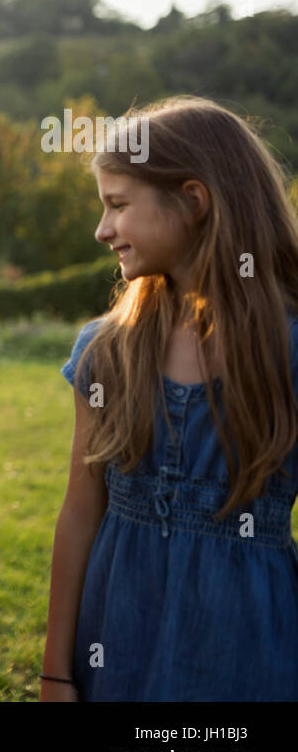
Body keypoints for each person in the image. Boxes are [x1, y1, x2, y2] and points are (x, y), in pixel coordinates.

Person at [42, 96, 298, 701]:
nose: (102, 230)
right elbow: (80, 515)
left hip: (249, 652)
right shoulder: (106, 352)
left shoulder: (288, 351)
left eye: (118, 205)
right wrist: (55, 672)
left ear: (193, 199)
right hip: (117, 645)